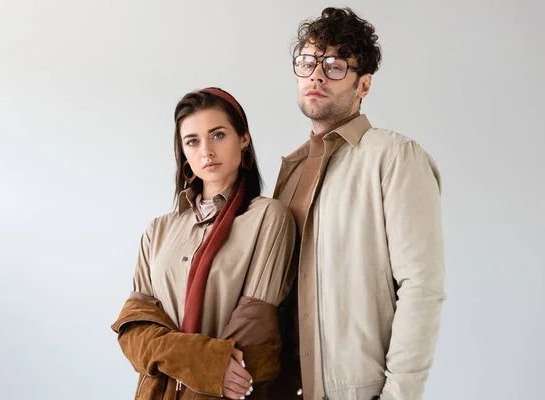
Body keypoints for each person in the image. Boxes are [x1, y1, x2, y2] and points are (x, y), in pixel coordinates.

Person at [272, 7, 446, 400]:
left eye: (335, 66)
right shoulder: (290, 171)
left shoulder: (394, 156)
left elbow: (421, 287)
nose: (316, 74)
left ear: (363, 85)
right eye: (308, 62)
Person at [111, 87, 297, 400]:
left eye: (218, 135)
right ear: (183, 153)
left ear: (244, 139)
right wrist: (204, 361)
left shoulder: (268, 218)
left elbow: (253, 337)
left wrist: (176, 358)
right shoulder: (157, 231)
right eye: (193, 141)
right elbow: (133, 333)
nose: (206, 151)